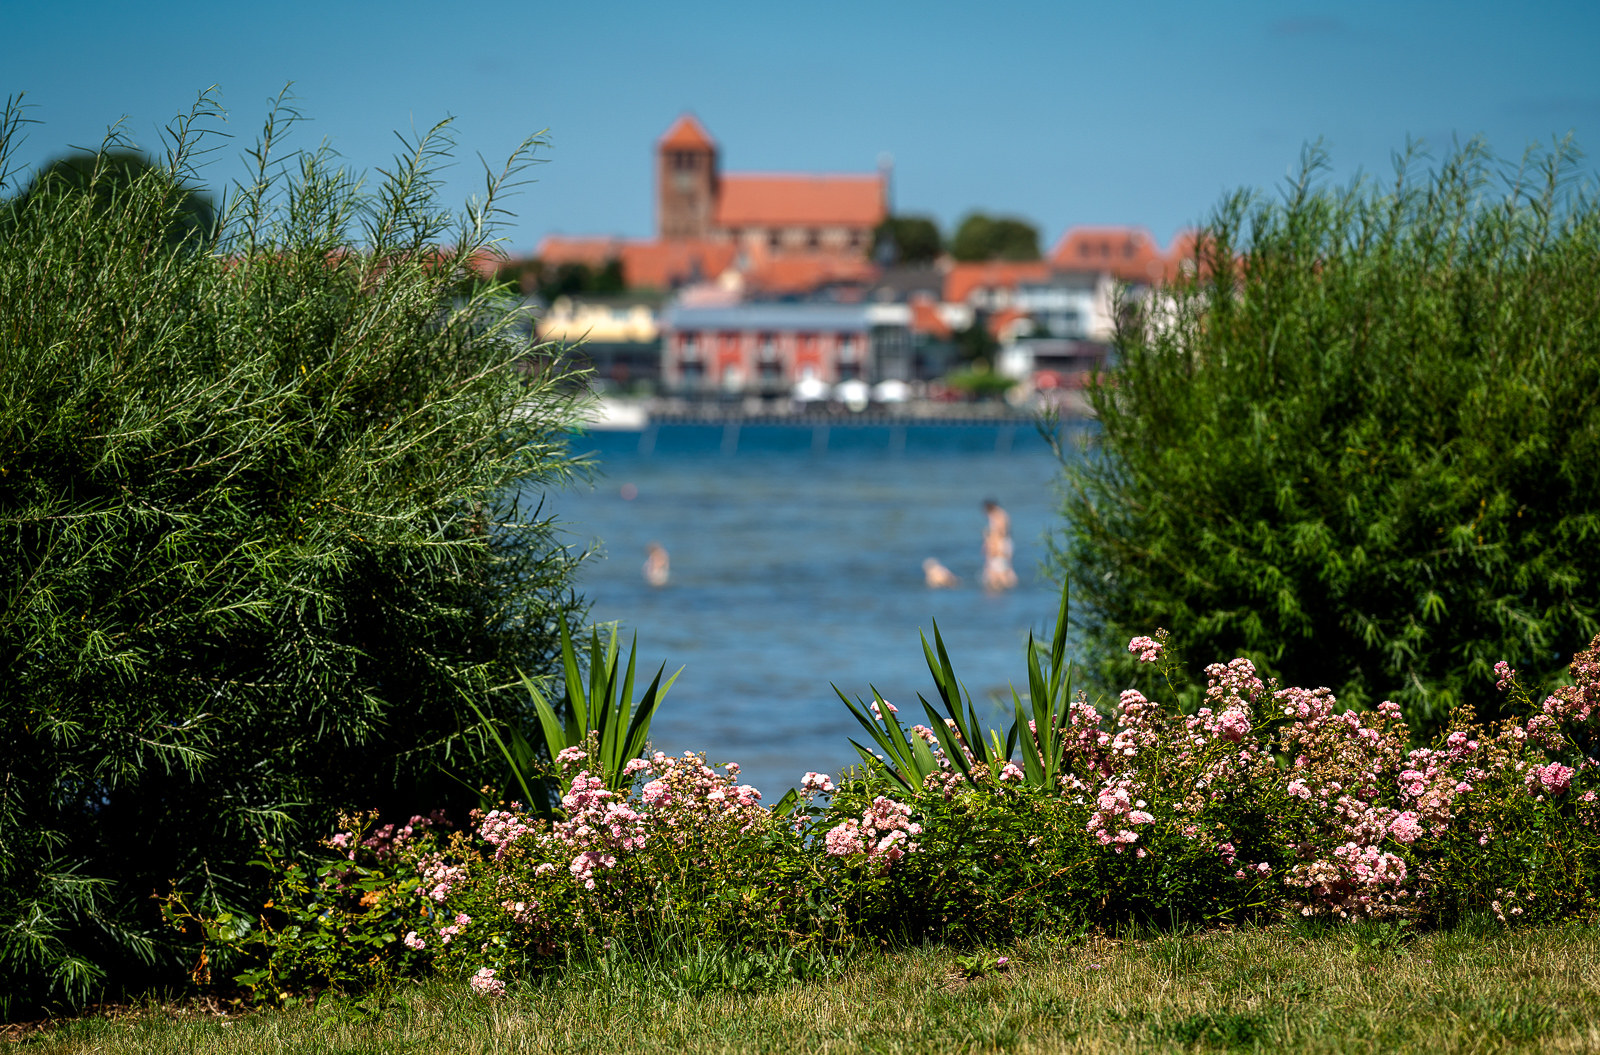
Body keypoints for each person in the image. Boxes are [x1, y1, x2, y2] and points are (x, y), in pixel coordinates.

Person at [981, 500, 1017, 592]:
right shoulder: (1002, 514)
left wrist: (991, 545)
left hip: (999, 545)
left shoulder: (997, 516)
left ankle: (998, 596)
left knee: (997, 573)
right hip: (1003, 544)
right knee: (1007, 569)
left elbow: (1000, 532)